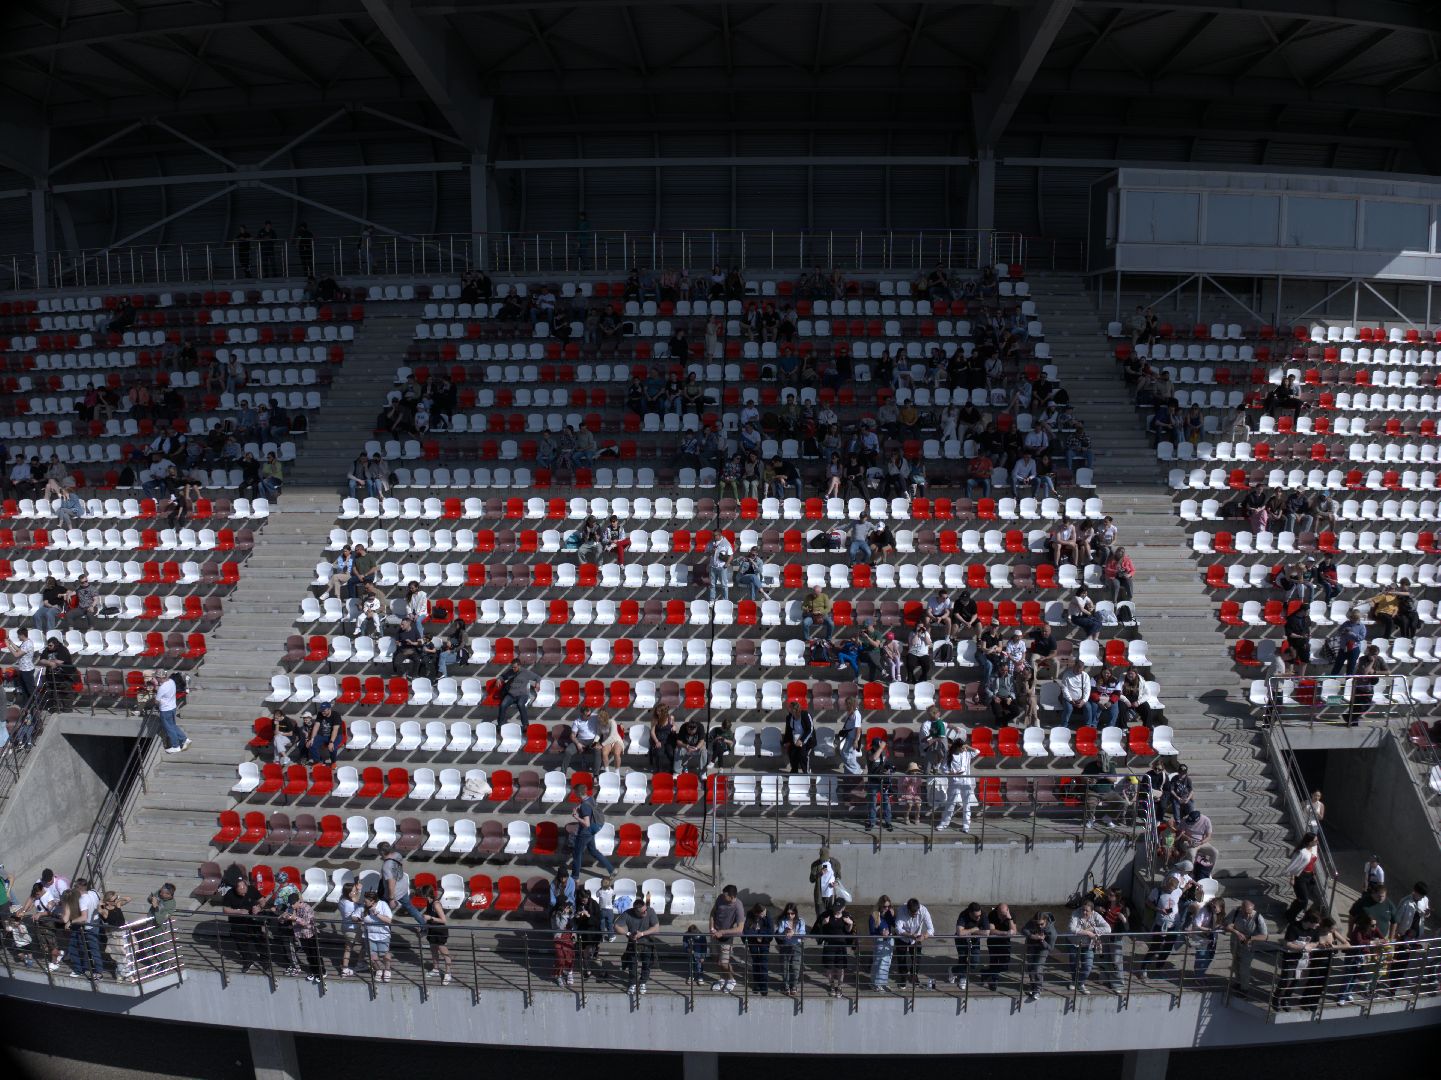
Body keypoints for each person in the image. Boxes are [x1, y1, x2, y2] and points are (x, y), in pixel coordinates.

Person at [570, 781, 616, 879]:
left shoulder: (584, 806)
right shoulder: (590, 798)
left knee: (577, 854)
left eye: (574, 792)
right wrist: (578, 807)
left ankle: (575, 876)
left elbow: (586, 823)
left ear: (578, 793)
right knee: (594, 851)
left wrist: (576, 816)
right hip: (592, 830)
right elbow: (587, 804)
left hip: (585, 832)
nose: (573, 793)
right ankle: (612, 870)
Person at [222, 876, 267, 974]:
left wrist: (259, 907)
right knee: (241, 943)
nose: (243, 891)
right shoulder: (229, 894)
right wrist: (237, 911)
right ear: (235, 888)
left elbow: (262, 900)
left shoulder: (251, 889)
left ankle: (265, 960)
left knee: (259, 939)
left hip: (253, 920)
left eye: (244, 888)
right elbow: (225, 910)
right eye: (240, 889)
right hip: (237, 922)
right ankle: (247, 961)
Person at [376, 842, 426, 930]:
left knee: (384, 911)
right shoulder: (397, 855)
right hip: (403, 887)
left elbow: (391, 884)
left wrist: (391, 899)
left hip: (394, 893)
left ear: (382, 852)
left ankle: (383, 928)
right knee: (410, 907)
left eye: (379, 851)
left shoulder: (386, 866)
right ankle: (424, 925)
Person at [1225, 898, 1268, 993]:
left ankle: (1244, 989)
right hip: (1235, 944)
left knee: (1244, 968)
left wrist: (1250, 938)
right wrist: (1236, 932)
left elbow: (1264, 936)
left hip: (1248, 948)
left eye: (1249, 912)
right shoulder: (1235, 912)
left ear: (1253, 909)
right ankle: (1238, 983)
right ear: (1241, 908)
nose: (1248, 915)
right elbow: (1227, 925)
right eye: (1245, 912)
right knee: (1236, 965)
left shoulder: (1258, 917)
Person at [937, 736, 979, 832]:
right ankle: (944, 823)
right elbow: (943, 769)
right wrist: (954, 773)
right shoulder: (949, 755)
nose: (964, 750)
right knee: (950, 803)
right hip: (954, 782)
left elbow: (977, 751)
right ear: (957, 747)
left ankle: (966, 825)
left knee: (967, 804)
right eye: (962, 748)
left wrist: (968, 747)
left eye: (965, 748)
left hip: (966, 782)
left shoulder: (966, 753)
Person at [816, 899, 857, 997]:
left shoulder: (846, 916)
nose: (836, 910)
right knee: (829, 967)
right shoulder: (827, 915)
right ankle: (831, 985)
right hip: (829, 944)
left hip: (841, 945)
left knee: (840, 968)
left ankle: (839, 986)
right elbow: (818, 928)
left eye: (839, 909)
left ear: (843, 908)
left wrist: (850, 924)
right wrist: (823, 923)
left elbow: (848, 931)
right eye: (835, 908)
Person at [1068, 900, 1110, 993]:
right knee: (1073, 965)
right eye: (1083, 910)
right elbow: (1072, 928)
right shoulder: (1075, 913)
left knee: (1088, 966)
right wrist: (1088, 933)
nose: (1084, 912)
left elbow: (1108, 929)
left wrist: (1093, 929)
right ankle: (1073, 981)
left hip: (1088, 946)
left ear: (1092, 911)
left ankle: (1080, 983)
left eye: (1087, 911)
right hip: (1074, 944)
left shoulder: (1096, 916)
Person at [709, 884, 745, 993]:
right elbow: (712, 913)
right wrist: (711, 928)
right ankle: (722, 978)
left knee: (724, 963)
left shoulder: (738, 906)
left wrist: (722, 932)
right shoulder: (720, 898)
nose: (723, 897)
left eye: (725, 895)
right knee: (716, 960)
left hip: (726, 938)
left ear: (732, 896)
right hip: (715, 935)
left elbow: (740, 929)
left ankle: (731, 980)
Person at [895, 898, 936, 989]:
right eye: (912, 914)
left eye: (916, 914)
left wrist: (924, 936)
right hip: (902, 938)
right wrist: (910, 935)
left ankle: (914, 974)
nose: (914, 915)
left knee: (917, 959)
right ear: (908, 909)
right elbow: (898, 929)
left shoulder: (923, 910)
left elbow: (931, 929)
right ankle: (903, 976)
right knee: (901, 958)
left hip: (916, 939)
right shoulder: (902, 910)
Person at [1285, 832, 1325, 922]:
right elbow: (1293, 865)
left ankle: (1290, 912)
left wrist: (1313, 872)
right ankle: (1290, 916)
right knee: (1304, 900)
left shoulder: (1314, 848)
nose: (1317, 842)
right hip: (1300, 877)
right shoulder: (1301, 852)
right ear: (1309, 842)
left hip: (1310, 876)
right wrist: (1292, 878)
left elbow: (1312, 861)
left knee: (1301, 898)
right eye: (1315, 840)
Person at [1021, 911, 1057, 1002]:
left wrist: (1042, 941)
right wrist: (1032, 936)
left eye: (1041, 924)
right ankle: (1032, 986)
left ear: (1046, 921)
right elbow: (1023, 930)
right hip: (1032, 946)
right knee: (1030, 967)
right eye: (1037, 924)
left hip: (1043, 949)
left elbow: (1051, 948)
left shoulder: (1052, 932)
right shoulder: (1033, 922)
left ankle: (1037, 989)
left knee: (1037, 968)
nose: (1039, 926)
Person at [151, 672, 190, 754]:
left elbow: (156, 702)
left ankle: (176, 746)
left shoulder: (162, 688)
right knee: (173, 725)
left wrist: (154, 696)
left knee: (169, 728)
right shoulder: (171, 681)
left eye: (157, 677)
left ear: (161, 678)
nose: (156, 679)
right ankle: (185, 739)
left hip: (165, 710)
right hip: (172, 707)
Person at [741, 903, 774, 996]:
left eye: (763, 913)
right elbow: (746, 930)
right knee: (755, 962)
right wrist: (757, 935)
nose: (762, 915)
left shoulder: (768, 915)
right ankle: (757, 984)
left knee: (763, 964)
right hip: (753, 941)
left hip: (764, 942)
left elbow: (770, 931)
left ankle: (764, 986)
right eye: (760, 914)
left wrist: (760, 934)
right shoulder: (750, 914)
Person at [361, 889, 393, 983]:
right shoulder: (364, 907)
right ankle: (378, 970)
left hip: (382, 935)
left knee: (385, 954)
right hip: (369, 935)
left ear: (372, 901)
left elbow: (389, 921)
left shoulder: (383, 905)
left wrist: (377, 914)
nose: (364, 902)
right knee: (372, 956)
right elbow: (357, 916)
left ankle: (387, 970)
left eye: (366, 901)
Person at [865, 735, 895, 831]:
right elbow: (873, 758)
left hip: (884, 781)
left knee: (886, 802)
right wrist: (881, 748)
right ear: (873, 746)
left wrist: (888, 770)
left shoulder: (884, 752)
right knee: (872, 803)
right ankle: (871, 822)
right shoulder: (869, 752)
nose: (880, 748)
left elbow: (886, 763)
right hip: (873, 781)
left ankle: (888, 822)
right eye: (877, 747)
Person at [495, 660, 539, 726]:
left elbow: (537, 677)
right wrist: (499, 679)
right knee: (503, 705)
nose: (513, 669)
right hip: (511, 695)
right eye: (512, 667)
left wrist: (537, 683)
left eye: (514, 667)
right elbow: (502, 676)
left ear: (519, 666)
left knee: (520, 704)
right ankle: (500, 724)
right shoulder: (511, 672)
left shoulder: (526, 672)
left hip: (522, 695)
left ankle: (525, 725)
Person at [986, 903, 1017, 991]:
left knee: (1005, 964)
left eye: (1004, 914)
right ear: (997, 911)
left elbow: (1014, 931)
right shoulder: (992, 914)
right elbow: (991, 930)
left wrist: (1009, 918)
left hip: (1005, 942)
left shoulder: (1012, 915)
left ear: (1007, 911)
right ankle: (994, 980)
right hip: (993, 942)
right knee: (994, 961)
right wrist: (1005, 933)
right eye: (1001, 914)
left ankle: (988, 972)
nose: (1002, 916)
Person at [868, 896, 897, 990]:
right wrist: (881, 933)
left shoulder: (889, 914)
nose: (887, 908)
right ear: (880, 905)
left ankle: (883, 982)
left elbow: (895, 925)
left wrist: (893, 916)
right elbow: (872, 932)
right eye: (885, 906)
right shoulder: (874, 915)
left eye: (889, 906)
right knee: (878, 962)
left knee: (886, 962)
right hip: (880, 940)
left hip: (889, 940)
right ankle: (875, 983)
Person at [1059, 658, 1096, 730]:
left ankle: (1088, 726)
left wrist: (1083, 701)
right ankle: (1064, 726)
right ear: (1074, 666)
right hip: (1068, 698)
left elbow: (1087, 690)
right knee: (1069, 708)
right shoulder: (1067, 674)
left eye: (1081, 669)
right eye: (1078, 668)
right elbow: (1064, 689)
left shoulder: (1085, 676)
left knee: (1088, 707)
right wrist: (1070, 700)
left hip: (1081, 699)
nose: (1079, 670)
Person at [780, 700, 816, 774]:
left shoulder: (805, 715)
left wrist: (801, 740)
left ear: (795, 710)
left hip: (806, 739)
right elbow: (788, 730)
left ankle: (806, 772)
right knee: (791, 753)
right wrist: (786, 742)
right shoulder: (789, 717)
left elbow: (810, 729)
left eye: (790, 708)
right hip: (795, 739)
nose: (788, 710)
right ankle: (794, 770)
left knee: (802, 755)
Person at [809, 848, 843, 921]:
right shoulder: (815, 865)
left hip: (831, 895)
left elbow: (838, 876)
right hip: (820, 895)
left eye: (825, 859)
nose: (824, 861)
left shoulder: (835, 863)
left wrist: (836, 882)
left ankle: (829, 931)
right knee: (821, 915)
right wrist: (819, 874)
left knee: (832, 914)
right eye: (822, 859)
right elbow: (811, 880)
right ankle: (820, 931)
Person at [550, 899, 576, 988]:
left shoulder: (569, 913)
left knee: (570, 956)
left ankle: (569, 972)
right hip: (559, 937)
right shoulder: (555, 915)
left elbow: (572, 926)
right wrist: (565, 915)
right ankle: (558, 975)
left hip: (568, 936)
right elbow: (560, 927)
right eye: (566, 906)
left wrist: (571, 915)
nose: (568, 907)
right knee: (560, 957)